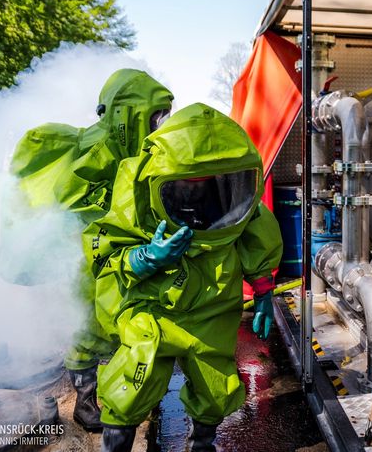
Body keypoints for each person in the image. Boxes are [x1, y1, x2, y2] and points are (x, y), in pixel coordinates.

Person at [83, 103, 282, 452]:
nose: (202, 197)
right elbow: (104, 248)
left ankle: (201, 444)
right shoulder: (136, 186)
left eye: (214, 186)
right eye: (188, 188)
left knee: (214, 383)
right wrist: (145, 258)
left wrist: (264, 290)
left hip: (213, 307)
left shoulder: (241, 198)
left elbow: (255, 231)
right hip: (153, 306)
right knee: (132, 381)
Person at [6, 69, 174, 431]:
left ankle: (117, 395)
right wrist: (114, 216)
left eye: (164, 114)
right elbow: (70, 198)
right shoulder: (98, 148)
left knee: (117, 321)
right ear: (129, 113)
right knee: (88, 327)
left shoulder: (134, 146)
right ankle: (85, 405)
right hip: (89, 256)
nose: (161, 122)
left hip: (116, 251)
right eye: (156, 114)